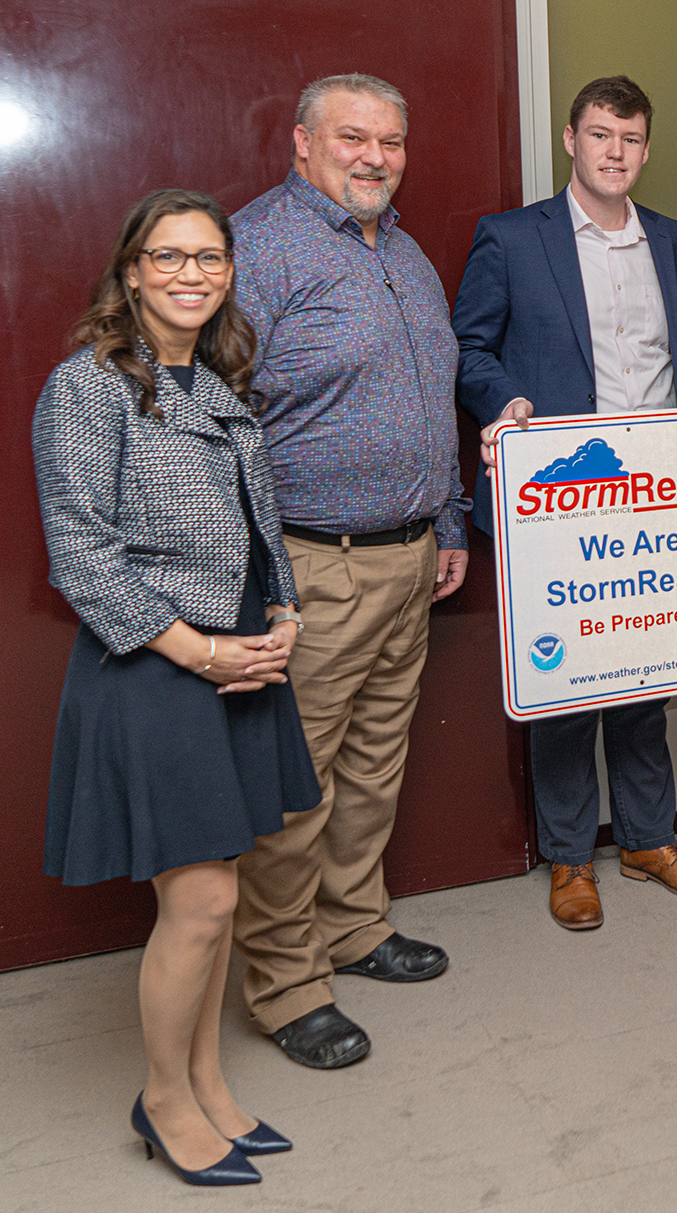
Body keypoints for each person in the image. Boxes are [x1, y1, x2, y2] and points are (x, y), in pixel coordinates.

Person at [33, 189, 320, 1184]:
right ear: (130, 274)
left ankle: (205, 1080)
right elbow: (83, 558)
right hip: (157, 666)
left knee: (222, 893)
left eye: (210, 257)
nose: (192, 273)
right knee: (197, 901)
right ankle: (162, 1099)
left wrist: (284, 616)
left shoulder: (218, 382)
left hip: (241, 659)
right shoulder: (89, 388)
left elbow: (255, 523)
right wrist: (202, 652)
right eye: (169, 257)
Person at [454, 75, 677, 927]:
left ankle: (646, 839)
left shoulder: (673, 238)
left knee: (647, 670)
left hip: (659, 492)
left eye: (629, 138)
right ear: (570, 140)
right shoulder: (513, 238)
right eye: (599, 136)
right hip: (561, 497)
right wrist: (505, 402)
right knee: (566, 677)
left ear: (646, 148)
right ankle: (566, 857)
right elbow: (470, 346)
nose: (614, 152)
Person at [228, 73, 468, 1070]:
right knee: (298, 788)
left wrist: (448, 518)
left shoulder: (404, 253)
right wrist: (260, 573)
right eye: (352, 138)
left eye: (390, 142)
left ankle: (355, 927)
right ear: (301, 143)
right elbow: (216, 420)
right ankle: (285, 982)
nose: (374, 157)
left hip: (410, 555)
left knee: (374, 764)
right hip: (311, 568)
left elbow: (432, 396)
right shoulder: (254, 250)